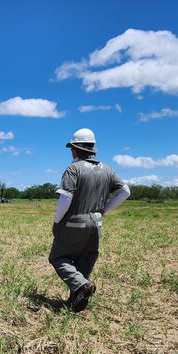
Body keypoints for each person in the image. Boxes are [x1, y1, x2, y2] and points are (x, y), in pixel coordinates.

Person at [49, 128, 131, 312]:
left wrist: (56, 221)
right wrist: (104, 210)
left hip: (73, 223)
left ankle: (82, 287)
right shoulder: (108, 170)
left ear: (75, 149)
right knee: (84, 261)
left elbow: (65, 198)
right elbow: (126, 191)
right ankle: (76, 300)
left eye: (71, 148)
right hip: (96, 224)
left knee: (58, 257)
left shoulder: (73, 169)